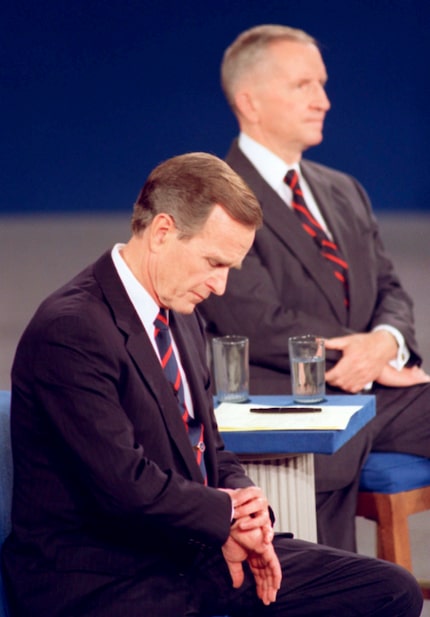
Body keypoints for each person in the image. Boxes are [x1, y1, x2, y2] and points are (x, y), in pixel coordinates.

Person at [2, 152, 423, 616]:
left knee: (390, 590)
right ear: (162, 232)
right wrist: (225, 519)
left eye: (230, 269)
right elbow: (123, 485)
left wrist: (248, 510)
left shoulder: (181, 314)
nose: (220, 287)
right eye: (213, 262)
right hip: (106, 575)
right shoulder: (72, 330)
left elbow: (211, 447)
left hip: (190, 553)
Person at [199, 24, 430, 551]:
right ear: (250, 102)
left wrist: (386, 342)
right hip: (286, 400)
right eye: (304, 85)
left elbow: (391, 287)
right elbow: (254, 320)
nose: (324, 100)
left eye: (322, 85)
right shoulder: (215, 196)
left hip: (373, 393)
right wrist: (363, 352)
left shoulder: (343, 189)